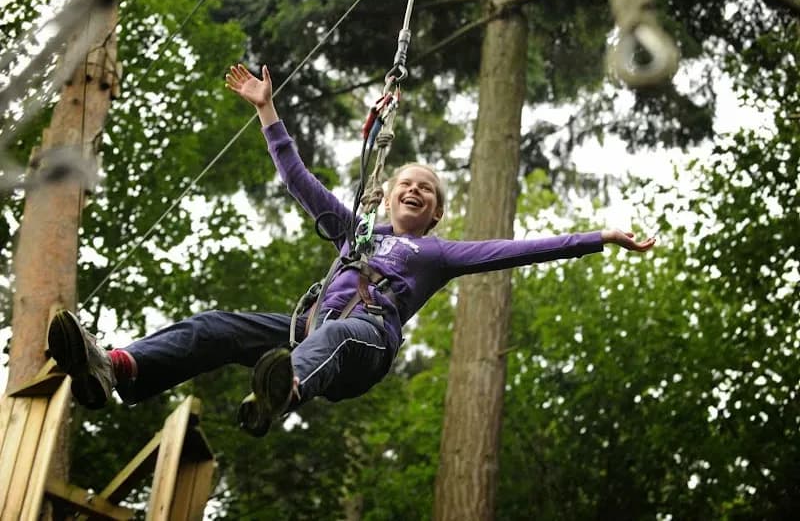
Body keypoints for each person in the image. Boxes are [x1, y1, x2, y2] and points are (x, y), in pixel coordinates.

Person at [47, 63, 656, 437]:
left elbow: (514, 250)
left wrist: (599, 238)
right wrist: (268, 111)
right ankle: (119, 368)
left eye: (428, 190)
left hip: (363, 344)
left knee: (336, 338)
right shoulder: (357, 232)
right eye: (406, 184)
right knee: (218, 327)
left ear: (436, 212)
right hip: (304, 331)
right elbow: (300, 182)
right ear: (387, 198)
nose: (415, 189)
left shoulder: (436, 254)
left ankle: (283, 392)